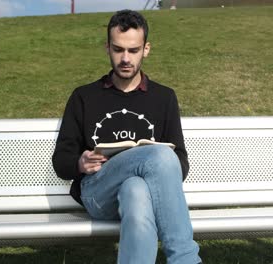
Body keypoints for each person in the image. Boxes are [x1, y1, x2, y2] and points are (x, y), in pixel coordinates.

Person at [52, 9, 201, 264]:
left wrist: (155, 164)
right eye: (118, 49)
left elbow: (181, 163)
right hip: (98, 193)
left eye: (133, 50)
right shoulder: (84, 97)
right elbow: (61, 161)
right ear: (107, 48)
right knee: (160, 155)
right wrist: (80, 163)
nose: (125, 58)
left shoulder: (164, 98)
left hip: (141, 195)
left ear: (146, 49)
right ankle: (186, 259)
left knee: (137, 189)